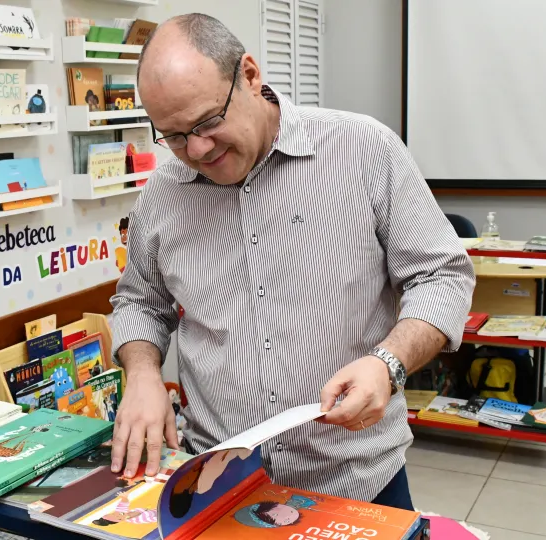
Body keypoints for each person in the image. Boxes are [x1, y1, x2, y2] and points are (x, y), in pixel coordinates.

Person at [108, 13, 475, 509]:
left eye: (207, 122)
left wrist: (387, 363)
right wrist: (144, 373)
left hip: (358, 484)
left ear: (251, 76)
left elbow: (443, 276)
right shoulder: (164, 193)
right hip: (221, 487)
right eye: (173, 135)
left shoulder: (364, 150)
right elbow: (140, 302)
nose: (196, 149)